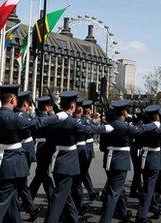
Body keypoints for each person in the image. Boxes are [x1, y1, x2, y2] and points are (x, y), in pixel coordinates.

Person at [0, 84, 64, 223]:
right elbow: (38, 122)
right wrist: (57, 117)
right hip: (12, 163)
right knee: (1, 202)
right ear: (11, 100)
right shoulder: (15, 117)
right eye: (15, 99)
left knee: (13, 197)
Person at [43, 90, 112, 223]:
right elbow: (89, 130)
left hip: (57, 160)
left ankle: (73, 219)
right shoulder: (71, 122)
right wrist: (105, 128)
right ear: (73, 105)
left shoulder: (54, 120)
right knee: (59, 198)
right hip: (68, 163)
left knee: (66, 195)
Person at [99, 100, 144, 223]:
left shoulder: (107, 126)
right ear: (124, 113)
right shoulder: (126, 126)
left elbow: (102, 147)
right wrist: (140, 119)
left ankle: (123, 213)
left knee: (115, 190)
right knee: (114, 192)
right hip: (120, 162)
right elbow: (140, 130)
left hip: (108, 161)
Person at [14, 90, 42, 221]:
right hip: (25, 150)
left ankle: (28, 208)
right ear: (25, 104)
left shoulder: (14, 114)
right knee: (21, 182)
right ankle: (31, 209)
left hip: (20, 150)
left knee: (20, 182)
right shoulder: (25, 116)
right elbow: (37, 125)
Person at [28, 95, 55, 201]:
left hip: (37, 146)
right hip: (45, 147)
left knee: (42, 173)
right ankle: (50, 196)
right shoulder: (48, 119)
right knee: (42, 173)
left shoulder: (35, 117)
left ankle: (31, 196)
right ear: (47, 107)